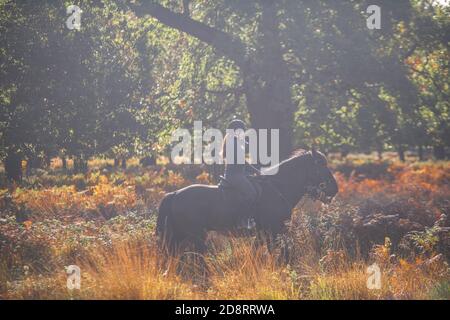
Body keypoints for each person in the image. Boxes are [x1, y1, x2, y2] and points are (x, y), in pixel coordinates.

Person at [221, 119, 258, 207]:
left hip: (239, 174)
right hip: (235, 175)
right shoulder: (233, 143)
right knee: (252, 194)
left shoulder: (235, 142)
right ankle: (244, 218)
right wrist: (257, 171)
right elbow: (242, 162)